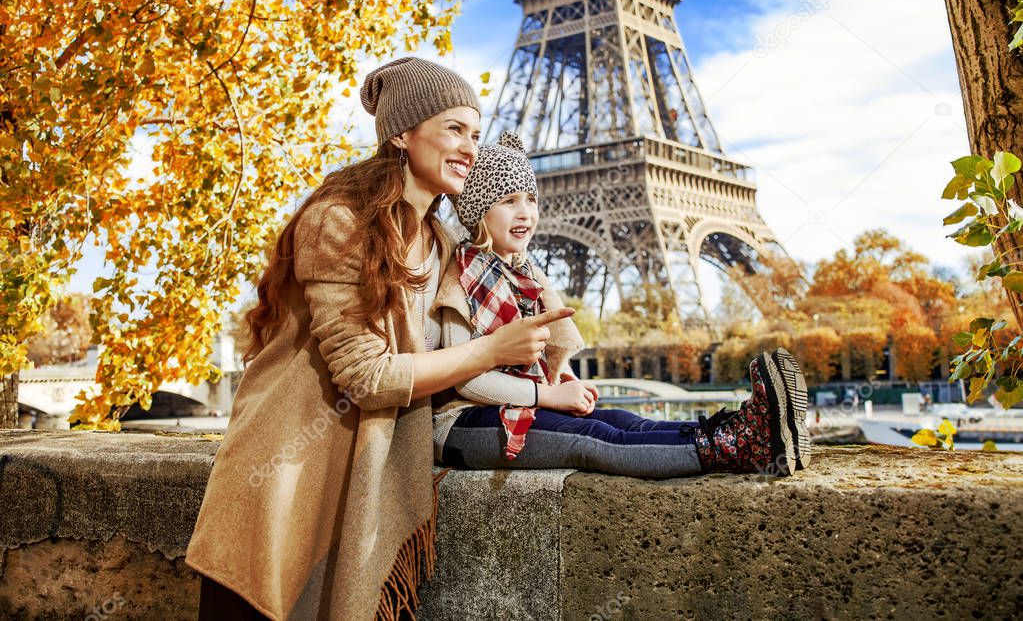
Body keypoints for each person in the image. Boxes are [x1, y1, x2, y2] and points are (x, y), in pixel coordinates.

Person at [184, 58, 573, 621]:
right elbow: (367, 378)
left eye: (476, 133)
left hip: (358, 474)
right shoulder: (337, 221)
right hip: (281, 481)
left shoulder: (438, 241)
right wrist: (491, 352)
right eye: (453, 130)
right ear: (401, 134)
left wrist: (551, 361)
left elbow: (500, 280)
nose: (470, 148)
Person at [431, 132, 812, 479]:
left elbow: (526, 364)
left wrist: (561, 381)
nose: (525, 212)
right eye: (508, 201)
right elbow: (466, 377)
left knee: (621, 419)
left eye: (530, 199)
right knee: (593, 438)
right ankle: (732, 448)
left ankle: (733, 431)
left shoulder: (521, 273)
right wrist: (546, 396)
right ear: (478, 210)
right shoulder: (462, 277)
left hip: (512, 408)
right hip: (462, 425)